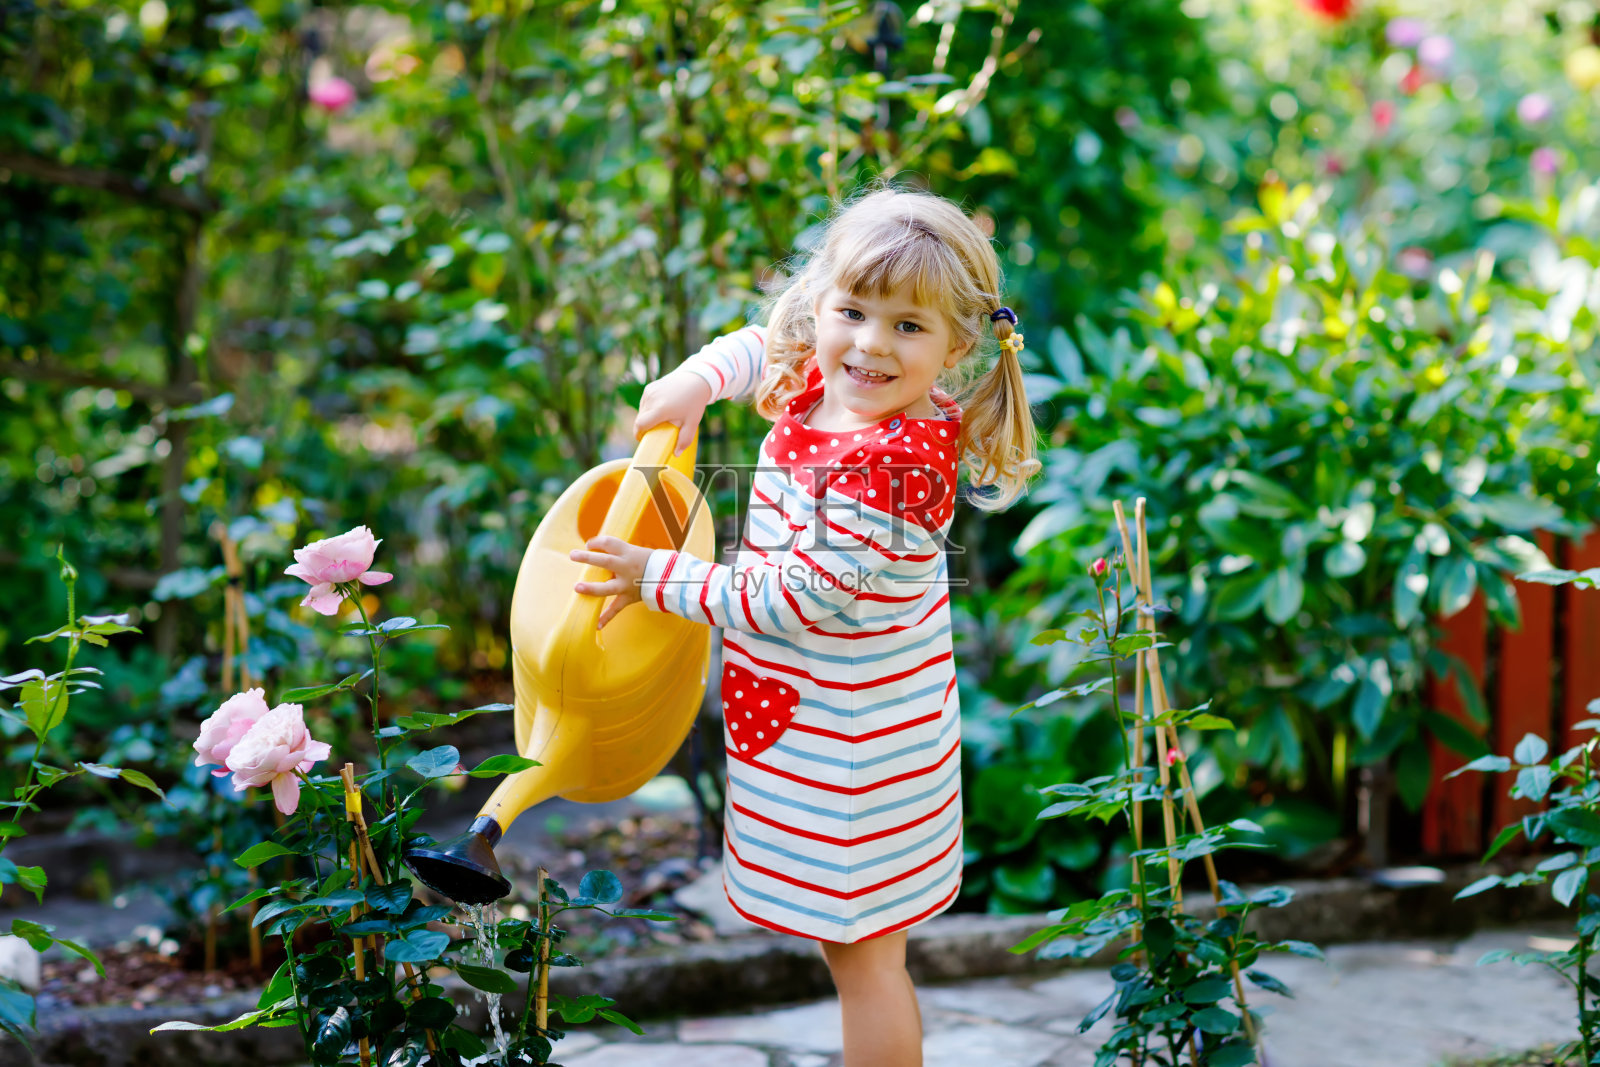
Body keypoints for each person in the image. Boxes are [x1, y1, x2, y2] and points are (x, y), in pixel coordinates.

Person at [568, 187, 1040, 1067]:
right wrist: (692, 383)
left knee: (865, 959)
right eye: (852, 311)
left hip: (857, 759)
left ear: (958, 346)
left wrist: (656, 575)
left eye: (908, 327)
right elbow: (766, 346)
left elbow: (792, 597)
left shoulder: (892, 468)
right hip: (824, 724)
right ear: (821, 303)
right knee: (852, 948)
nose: (868, 343)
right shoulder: (839, 381)